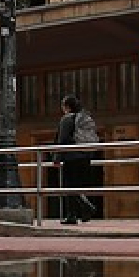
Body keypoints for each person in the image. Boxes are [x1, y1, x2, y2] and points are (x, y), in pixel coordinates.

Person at [55, 94, 97, 224]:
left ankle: (74, 214)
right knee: (77, 186)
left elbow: (62, 139)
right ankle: (84, 211)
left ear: (67, 106)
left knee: (69, 186)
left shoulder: (67, 119)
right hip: (86, 155)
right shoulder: (85, 117)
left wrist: (57, 157)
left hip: (71, 157)